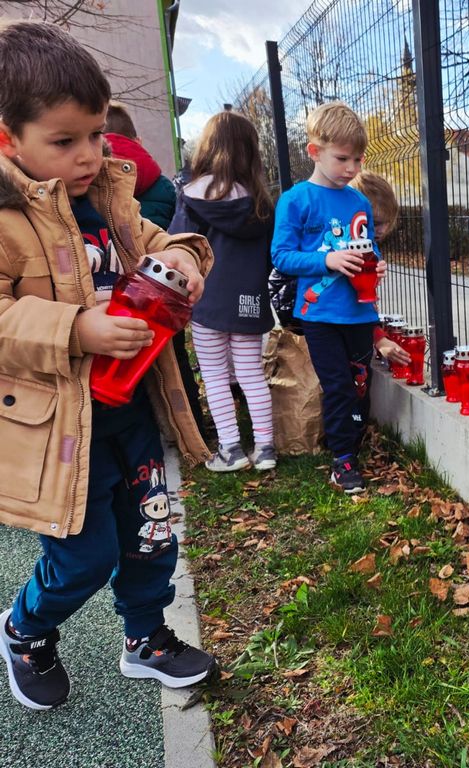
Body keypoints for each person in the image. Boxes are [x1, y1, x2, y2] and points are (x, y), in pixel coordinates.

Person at [0, 21, 218, 711]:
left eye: (96, 134)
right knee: (85, 558)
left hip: (128, 414)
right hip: (59, 432)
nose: (90, 154)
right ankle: (25, 629)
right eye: (65, 141)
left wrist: (184, 261)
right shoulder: (8, 217)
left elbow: (169, 240)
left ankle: (146, 639)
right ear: (9, 139)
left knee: (153, 531)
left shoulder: (110, 199)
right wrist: (76, 326)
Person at [271, 102, 389, 493]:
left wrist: (378, 264)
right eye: (342, 158)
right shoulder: (296, 200)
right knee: (337, 386)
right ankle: (343, 460)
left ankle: (353, 441)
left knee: (359, 383)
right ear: (314, 151)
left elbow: (367, 244)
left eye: (358, 159)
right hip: (320, 315)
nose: (352, 169)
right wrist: (328, 260)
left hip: (360, 313)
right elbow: (282, 256)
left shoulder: (359, 202)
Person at [169, 111, 277, 472]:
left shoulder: (191, 196)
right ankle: (265, 448)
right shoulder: (261, 201)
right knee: (251, 374)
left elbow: (178, 247)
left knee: (214, 376)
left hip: (208, 302)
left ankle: (230, 449)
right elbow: (269, 256)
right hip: (250, 299)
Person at [103, 101, 207, 438]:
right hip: (161, 295)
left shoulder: (106, 192)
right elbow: (168, 230)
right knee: (170, 362)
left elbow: (157, 236)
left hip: (125, 295)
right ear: (138, 140)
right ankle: (186, 429)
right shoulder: (161, 185)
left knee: (124, 370)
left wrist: (182, 252)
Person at [348, 170, 410, 368]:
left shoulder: (371, 250)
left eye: (387, 222)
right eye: (375, 223)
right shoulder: (351, 255)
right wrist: (379, 338)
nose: (382, 230)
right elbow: (358, 306)